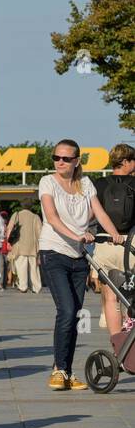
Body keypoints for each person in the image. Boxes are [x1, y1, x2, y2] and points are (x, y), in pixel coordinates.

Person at [37, 139, 126, 390]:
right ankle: (58, 369)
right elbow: (52, 218)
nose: (60, 163)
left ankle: (65, 371)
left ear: (77, 161)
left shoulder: (85, 184)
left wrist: (115, 236)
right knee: (65, 310)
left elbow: (100, 213)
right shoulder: (48, 182)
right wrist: (77, 235)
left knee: (74, 315)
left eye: (66, 159)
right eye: (56, 158)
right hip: (54, 252)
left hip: (79, 257)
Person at [92, 143, 135, 335]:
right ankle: (130, 340)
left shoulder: (99, 184)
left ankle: (117, 345)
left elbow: (91, 214)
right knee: (131, 297)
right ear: (125, 162)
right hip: (132, 245)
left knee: (111, 298)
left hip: (105, 243)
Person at [5, 204, 43, 294]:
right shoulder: (35, 217)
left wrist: (8, 242)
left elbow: (9, 229)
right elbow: (40, 231)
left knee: (21, 266)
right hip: (32, 246)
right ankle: (36, 287)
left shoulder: (16, 215)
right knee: (34, 268)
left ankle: (23, 286)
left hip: (19, 246)